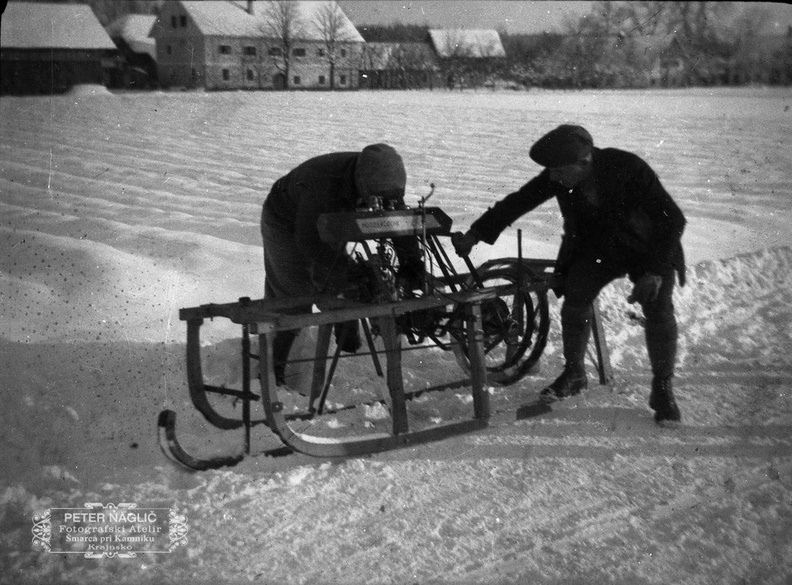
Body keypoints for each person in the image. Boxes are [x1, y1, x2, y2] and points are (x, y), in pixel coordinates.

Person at [453, 125, 686, 425]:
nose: (553, 178)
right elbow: (520, 200)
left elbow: (673, 219)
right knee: (576, 294)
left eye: (559, 171)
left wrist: (654, 273)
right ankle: (575, 372)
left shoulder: (628, 167)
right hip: (599, 250)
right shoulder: (562, 173)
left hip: (649, 249)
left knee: (658, 308)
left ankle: (662, 387)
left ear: (585, 162)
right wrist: (475, 233)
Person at [261, 143, 424, 388]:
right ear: (361, 182)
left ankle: (347, 341)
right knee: (295, 293)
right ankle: (273, 370)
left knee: (345, 282)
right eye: (375, 197)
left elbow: (397, 221)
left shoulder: (384, 178)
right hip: (285, 220)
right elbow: (308, 241)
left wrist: (412, 261)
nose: (380, 202)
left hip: (330, 219)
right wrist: (346, 271)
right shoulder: (324, 183)